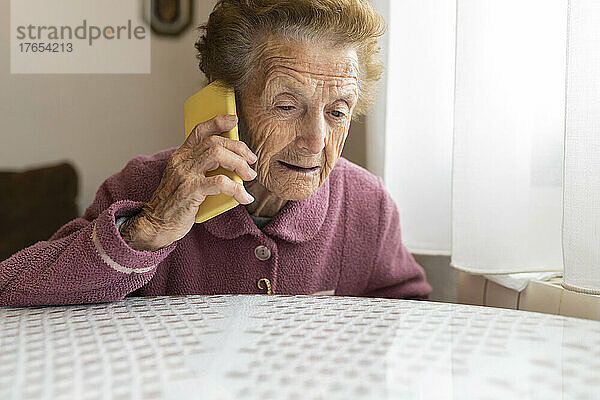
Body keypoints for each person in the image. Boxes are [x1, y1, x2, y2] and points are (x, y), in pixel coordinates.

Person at [0, 0, 431, 306]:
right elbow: (12, 288)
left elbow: (407, 322)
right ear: (225, 103)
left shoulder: (367, 205)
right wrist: (148, 229)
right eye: (286, 106)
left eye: (337, 111)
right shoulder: (146, 187)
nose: (315, 141)